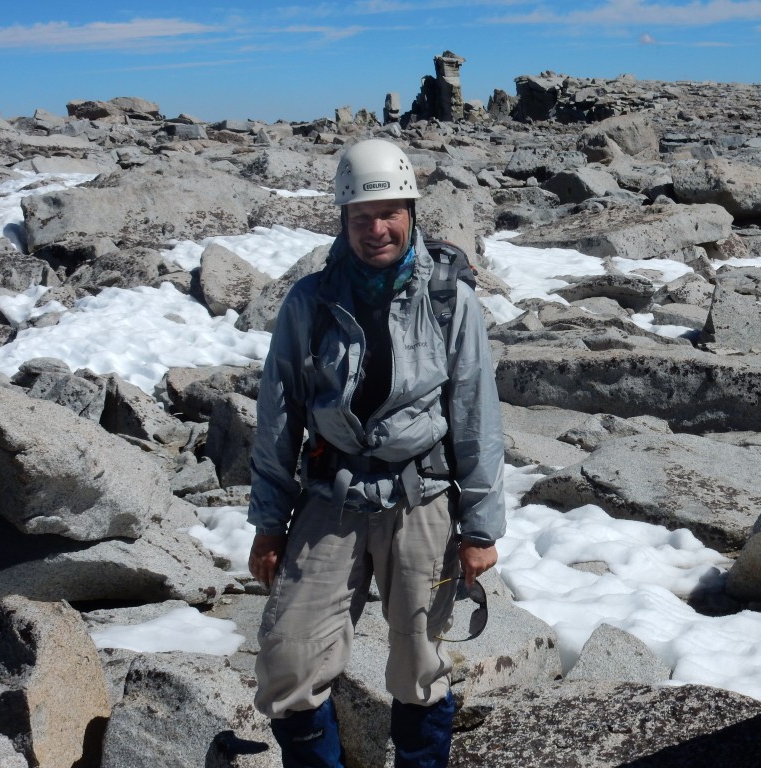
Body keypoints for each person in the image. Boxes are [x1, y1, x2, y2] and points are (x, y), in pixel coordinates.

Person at [246, 138, 506, 768]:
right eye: (362, 216)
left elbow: (474, 414)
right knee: (288, 662)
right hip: (330, 494)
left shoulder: (449, 301)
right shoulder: (308, 302)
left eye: (391, 212)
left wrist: (480, 527)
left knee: (420, 662)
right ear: (343, 220)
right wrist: (268, 524)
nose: (378, 228)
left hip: (423, 498)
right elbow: (279, 415)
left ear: (413, 212)